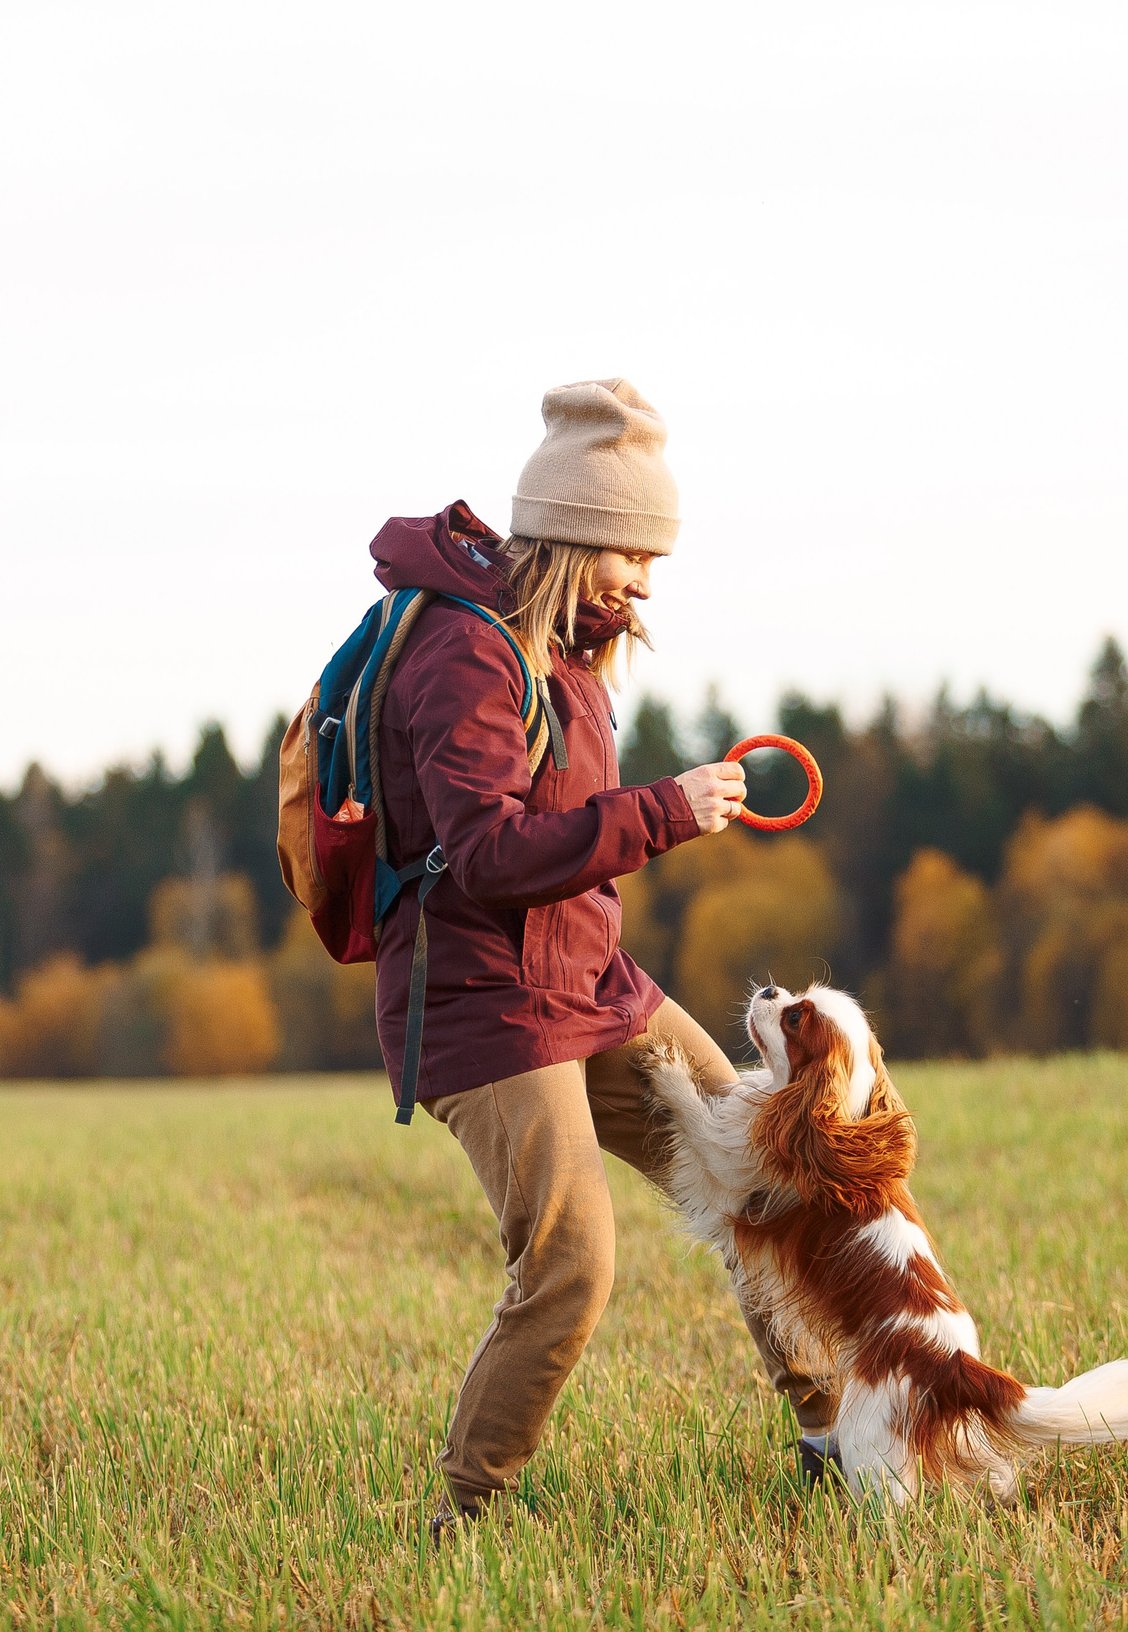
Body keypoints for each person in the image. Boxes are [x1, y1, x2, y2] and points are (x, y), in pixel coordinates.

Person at [363, 377, 837, 1536]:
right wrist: (661, 812)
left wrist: (655, 809)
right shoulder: (464, 659)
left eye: (652, 564)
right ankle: (466, 1519)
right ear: (574, 538)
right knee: (572, 1265)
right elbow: (484, 856)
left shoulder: (562, 648)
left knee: (764, 1180)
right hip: (485, 1008)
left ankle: (841, 1438)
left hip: (589, 987)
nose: (642, 586)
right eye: (633, 557)